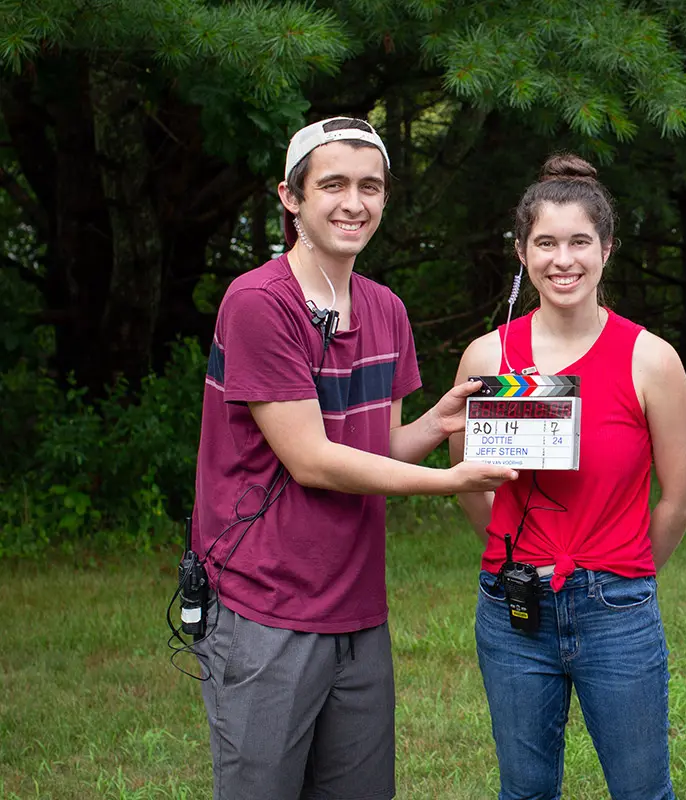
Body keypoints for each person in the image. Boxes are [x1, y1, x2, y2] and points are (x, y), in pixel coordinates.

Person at [190, 116, 516, 800]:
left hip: (358, 608)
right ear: (291, 197)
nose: (354, 202)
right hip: (265, 607)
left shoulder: (385, 309)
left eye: (371, 186)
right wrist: (448, 479)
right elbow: (313, 460)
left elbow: (372, 450)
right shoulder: (258, 302)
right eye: (332, 184)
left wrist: (437, 421)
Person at [450, 154, 686, 800]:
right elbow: (469, 480)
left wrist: (628, 566)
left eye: (579, 242)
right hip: (513, 608)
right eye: (546, 243)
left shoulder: (651, 359)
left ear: (607, 248)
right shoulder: (487, 356)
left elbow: (682, 495)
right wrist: (512, 548)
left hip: (617, 606)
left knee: (642, 789)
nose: (563, 260)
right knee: (526, 790)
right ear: (522, 252)